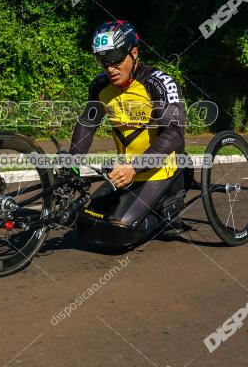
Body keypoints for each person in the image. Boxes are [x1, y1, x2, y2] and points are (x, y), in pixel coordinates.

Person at [70, 20, 186, 234]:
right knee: (83, 221)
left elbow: (174, 133)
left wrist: (134, 167)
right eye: (103, 62)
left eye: (115, 60)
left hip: (157, 171)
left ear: (134, 53)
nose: (110, 69)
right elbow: (88, 124)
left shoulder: (158, 83)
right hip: (122, 172)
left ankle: (166, 211)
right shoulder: (100, 86)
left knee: (119, 229)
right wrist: (72, 163)